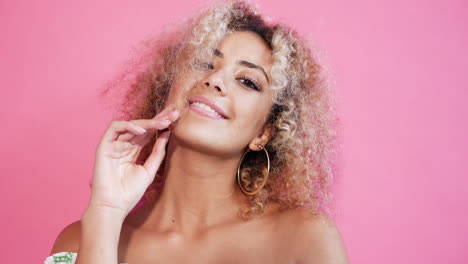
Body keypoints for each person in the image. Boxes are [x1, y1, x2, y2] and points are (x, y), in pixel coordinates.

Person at [45, 0, 349, 263]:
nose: (215, 80)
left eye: (247, 81)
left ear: (265, 134)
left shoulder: (306, 238)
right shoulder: (79, 242)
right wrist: (106, 211)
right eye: (204, 62)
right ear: (168, 87)